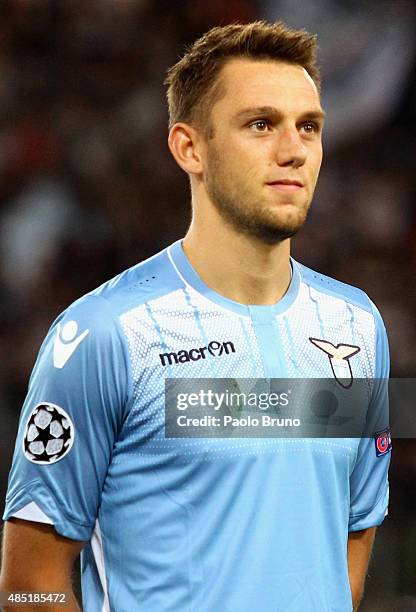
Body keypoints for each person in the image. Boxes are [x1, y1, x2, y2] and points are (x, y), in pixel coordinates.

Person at [0, 21, 390, 612]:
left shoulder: (359, 328)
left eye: (308, 127)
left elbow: (356, 526)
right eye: (260, 124)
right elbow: (29, 587)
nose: (294, 150)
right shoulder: (104, 335)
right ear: (190, 147)